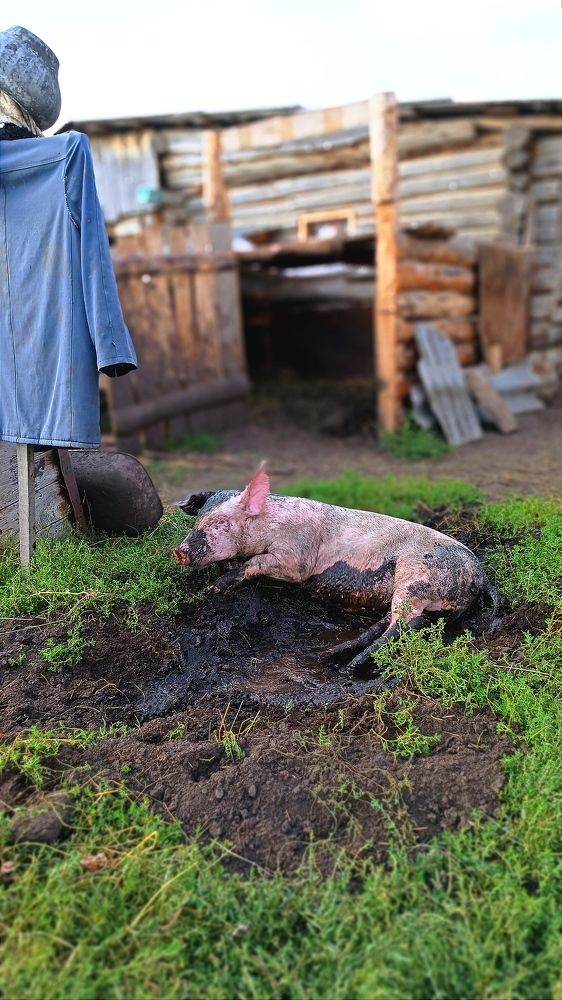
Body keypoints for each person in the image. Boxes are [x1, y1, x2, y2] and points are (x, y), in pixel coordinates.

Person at [0, 25, 137, 450]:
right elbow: (93, 257)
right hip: (47, 360)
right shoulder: (66, 155)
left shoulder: (66, 158)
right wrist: (110, 345)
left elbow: (93, 253)